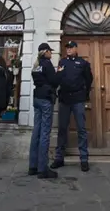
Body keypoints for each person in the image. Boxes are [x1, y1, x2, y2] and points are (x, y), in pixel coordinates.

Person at [51, 41, 92, 172]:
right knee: (62, 128)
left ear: (75, 49)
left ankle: (84, 159)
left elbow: (89, 79)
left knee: (81, 129)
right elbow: (58, 78)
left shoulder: (83, 63)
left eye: (70, 47)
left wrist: (84, 94)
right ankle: (59, 158)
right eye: (67, 48)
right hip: (64, 99)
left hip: (78, 99)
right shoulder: (62, 62)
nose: (68, 49)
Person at [28, 43, 60, 179]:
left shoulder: (36, 65)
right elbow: (54, 81)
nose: (51, 54)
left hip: (37, 99)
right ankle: (42, 169)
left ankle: (33, 166)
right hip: (46, 99)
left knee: (36, 132)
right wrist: (59, 72)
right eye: (50, 51)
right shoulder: (47, 64)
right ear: (45, 52)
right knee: (45, 133)